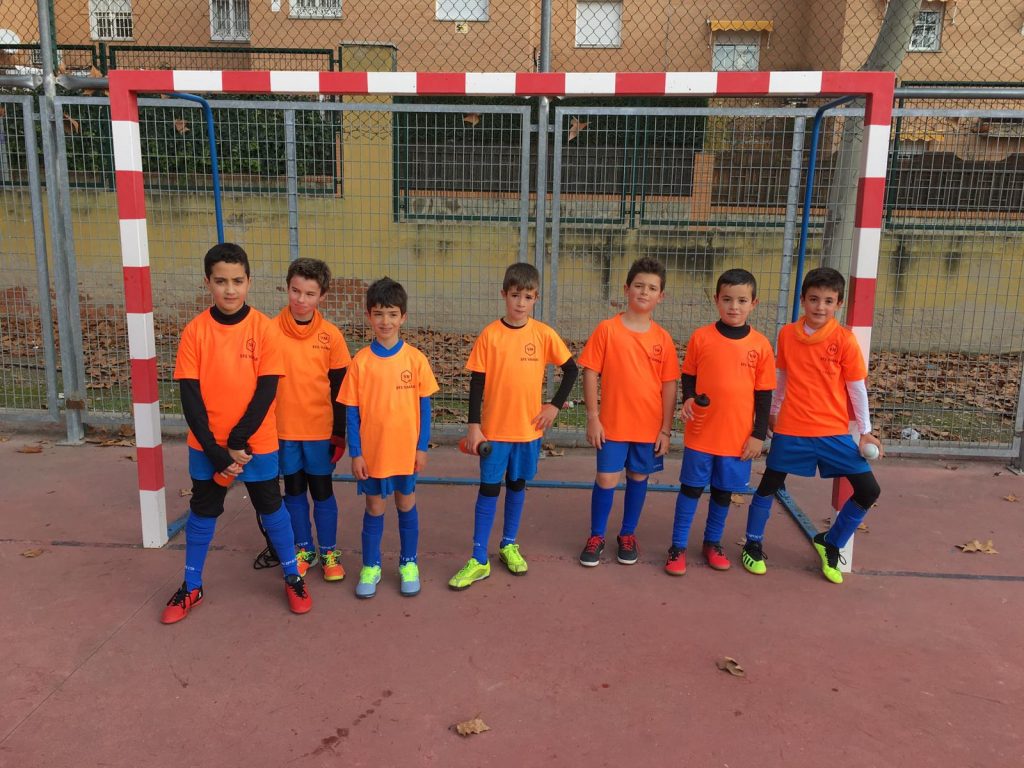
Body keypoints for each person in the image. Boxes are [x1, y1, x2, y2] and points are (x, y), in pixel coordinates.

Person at [162, 242, 311, 624]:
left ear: (249, 281)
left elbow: (266, 391)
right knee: (203, 510)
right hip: (209, 447)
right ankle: (191, 585)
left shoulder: (264, 329)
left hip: (254, 444)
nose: (230, 289)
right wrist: (216, 452)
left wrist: (238, 442)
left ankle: (293, 575)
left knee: (271, 506)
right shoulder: (195, 332)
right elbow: (190, 398)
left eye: (238, 281)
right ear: (207, 282)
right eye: (221, 281)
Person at [741, 267, 883, 583]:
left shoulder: (844, 340)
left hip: (833, 431)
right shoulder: (788, 334)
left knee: (869, 489)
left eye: (828, 301)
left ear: (839, 304)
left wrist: (864, 431)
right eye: (814, 299)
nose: (820, 306)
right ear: (803, 300)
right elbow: (782, 377)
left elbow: (856, 387)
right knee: (770, 484)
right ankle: (752, 542)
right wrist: (772, 413)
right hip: (792, 428)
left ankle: (830, 541)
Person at [449, 262, 578, 590]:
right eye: (515, 295)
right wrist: (474, 426)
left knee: (518, 486)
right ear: (503, 295)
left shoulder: (543, 334)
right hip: (494, 432)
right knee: (489, 489)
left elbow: (572, 370)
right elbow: (477, 383)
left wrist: (554, 405)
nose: (521, 302)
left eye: (528, 296)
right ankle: (479, 558)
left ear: (537, 298)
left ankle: (508, 544)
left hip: (528, 430)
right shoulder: (491, 335)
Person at [666, 268, 775, 576]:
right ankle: (677, 546)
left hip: (737, 438)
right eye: (727, 299)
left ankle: (712, 542)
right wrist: (688, 398)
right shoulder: (702, 337)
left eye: (742, 300)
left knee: (723, 492)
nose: (734, 306)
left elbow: (764, 395)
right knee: (690, 489)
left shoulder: (761, 345)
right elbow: (689, 375)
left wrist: (758, 436)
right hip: (701, 433)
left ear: (754, 303)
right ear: (716, 300)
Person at [338, 277, 438, 599]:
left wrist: (421, 448)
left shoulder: (416, 360)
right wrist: (356, 453)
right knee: (374, 507)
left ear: (403, 317)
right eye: (379, 314)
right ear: (369, 316)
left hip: (405, 454)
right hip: (374, 455)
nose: (386, 321)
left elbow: (425, 410)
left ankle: (409, 563)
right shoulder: (360, 363)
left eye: (392, 314)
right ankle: (371, 565)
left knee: (406, 504)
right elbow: (351, 413)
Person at [577, 257, 680, 567]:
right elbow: (590, 372)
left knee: (638, 476)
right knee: (606, 479)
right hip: (612, 425)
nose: (644, 292)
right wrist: (593, 418)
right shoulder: (607, 330)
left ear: (661, 296)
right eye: (639, 286)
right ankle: (596, 535)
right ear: (626, 289)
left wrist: (665, 429)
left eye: (652, 288)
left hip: (648, 429)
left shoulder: (662, 339)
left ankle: (627, 534)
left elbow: (670, 386)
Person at [274, 258, 351, 582]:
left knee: (321, 491)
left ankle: (329, 551)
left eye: (309, 293)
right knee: (293, 491)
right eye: (295, 291)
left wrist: (338, 433)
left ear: (322, 296)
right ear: (287, 288)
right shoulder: (269, 331)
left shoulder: (331, 336)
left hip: (319, 432)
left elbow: (340, 389)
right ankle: (303, 549)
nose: (301, 300)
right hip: (284, 430)